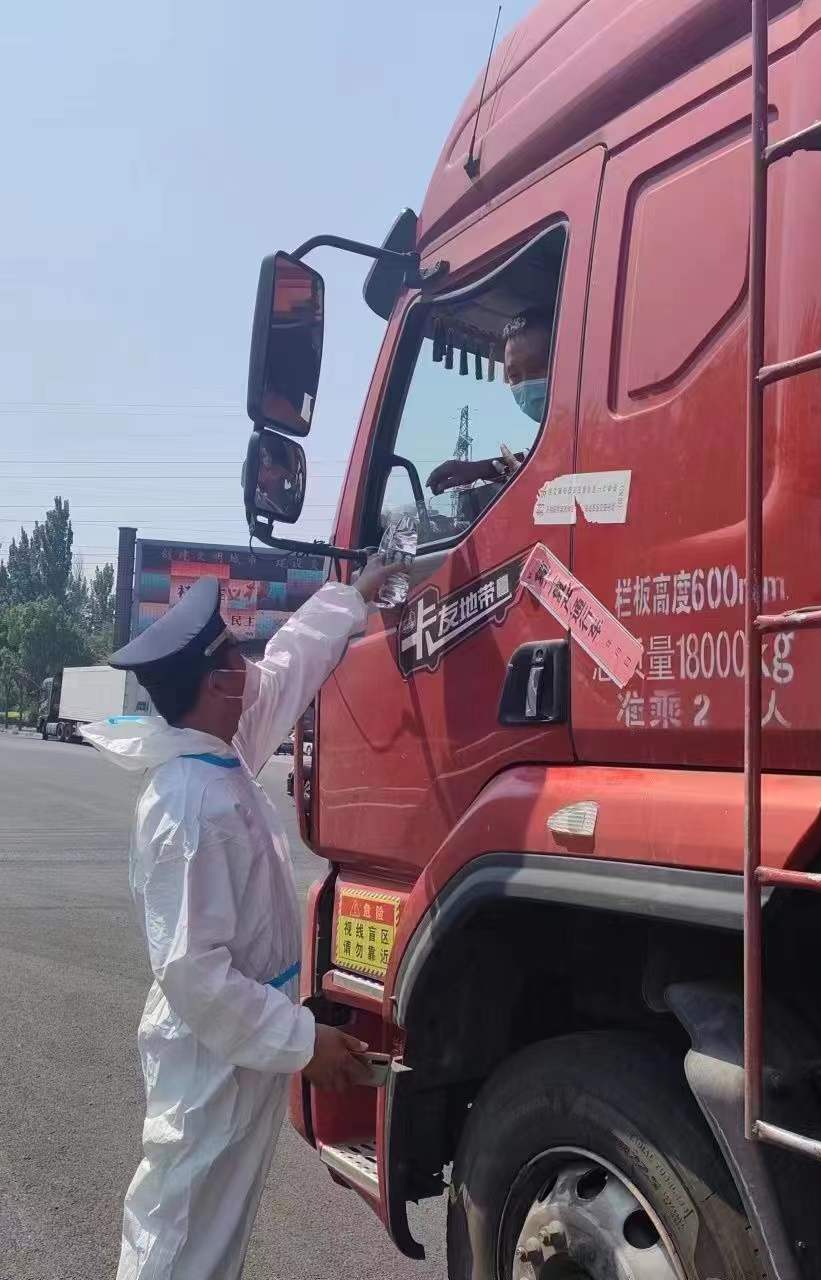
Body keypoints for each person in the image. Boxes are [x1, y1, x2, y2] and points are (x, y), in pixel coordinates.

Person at [82, 559, 391, 1280]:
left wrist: (353, 595)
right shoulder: (191, 808)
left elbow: (285, 672)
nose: (249, 664)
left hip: (238, 1044)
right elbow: (196, 974)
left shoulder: (216, 755)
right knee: (181, 1227)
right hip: (213, 1056)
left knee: (213, 1226)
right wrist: (302, 1042)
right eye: (233, 655)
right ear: (218, 683)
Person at [427, 305, 552, 495]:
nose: (526, 384)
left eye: (537, 368)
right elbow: (540, 459)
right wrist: (479, 469)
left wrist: (533, 484)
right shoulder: (557, 434)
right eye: (514, 376)